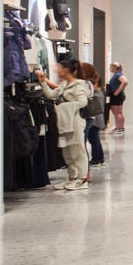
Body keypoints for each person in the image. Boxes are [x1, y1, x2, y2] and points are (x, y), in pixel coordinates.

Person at [42, 60, 94, 189]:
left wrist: (62, 106)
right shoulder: (64, 85)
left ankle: (82, 179)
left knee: (78, 150)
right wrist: (43, 82)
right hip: (65, 122)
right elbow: (50, 95)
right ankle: (72, 177)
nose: (56, 70)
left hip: (75, 121)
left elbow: (82, 102)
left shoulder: (79, 85)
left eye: (59, 68)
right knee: (67, 151)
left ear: (67, 70)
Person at [78, 61, 106, 172]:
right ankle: (99, 157)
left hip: (93, 113)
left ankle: (96, 158)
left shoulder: (89, 83)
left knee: (93, 137)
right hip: (97, 113)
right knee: (95, 137)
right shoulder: (95, 80)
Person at [104, 62, 128, 133]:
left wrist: (117, 91)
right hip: (117, 96)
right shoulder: (117, 75)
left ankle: (119, 128)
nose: (109, 69)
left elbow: (125, 81)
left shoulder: (118, 75)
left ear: (114, 68)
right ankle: (120, 127)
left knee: (117, 112)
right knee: (118, 112)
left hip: (117, 96)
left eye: (110, 67)